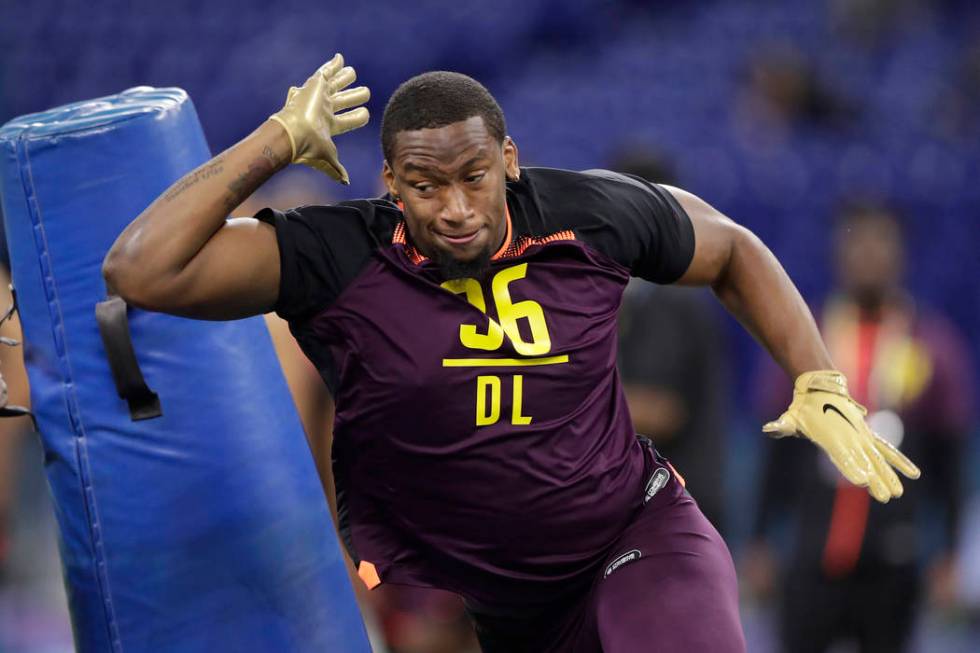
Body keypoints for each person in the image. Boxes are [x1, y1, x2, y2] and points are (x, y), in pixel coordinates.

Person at [102, 55, 919, 652]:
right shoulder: (338, 254)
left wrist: (815, 372)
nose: (456, 208)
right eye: (426, 186)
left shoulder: (585, 214)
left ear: (509, 161)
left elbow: (732, 248)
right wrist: (276, 140)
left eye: (475, 177)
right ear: (390, 181)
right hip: (498, 603)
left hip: (633, 536)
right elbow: (140, 267)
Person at [744, 202, 976, 653]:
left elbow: (949, 458)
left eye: (881, 242)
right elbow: (776, 448)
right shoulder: (805, 337)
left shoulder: (934, 345)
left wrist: (949, 554)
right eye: (859, 242)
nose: (869, 253)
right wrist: (758, 540)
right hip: (813, 550)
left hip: (893, 554)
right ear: (840, 252)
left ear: (901, 254)